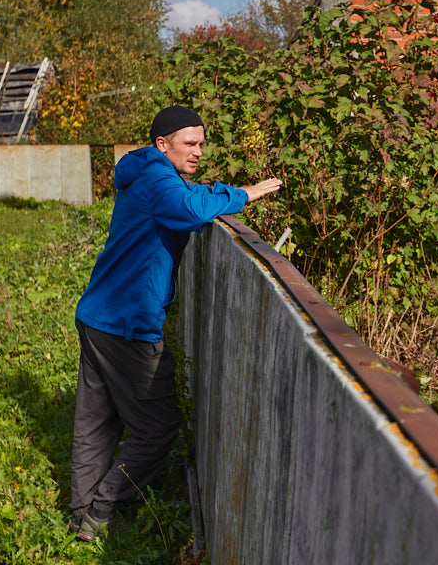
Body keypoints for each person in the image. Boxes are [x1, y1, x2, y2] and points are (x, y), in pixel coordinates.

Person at [67, 105, 281, 542]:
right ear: (163, 144)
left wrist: (219, 191)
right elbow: (190, 208)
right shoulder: (158, 181)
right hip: (128, 322)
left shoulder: (146, 172)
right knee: (158, 425)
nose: (198, 151)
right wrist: (244, 194)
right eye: (190, 143)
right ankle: (105, 506)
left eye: (201, 143)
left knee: (97, 423)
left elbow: (188, 194)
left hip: (98, 313)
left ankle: (81, 518)